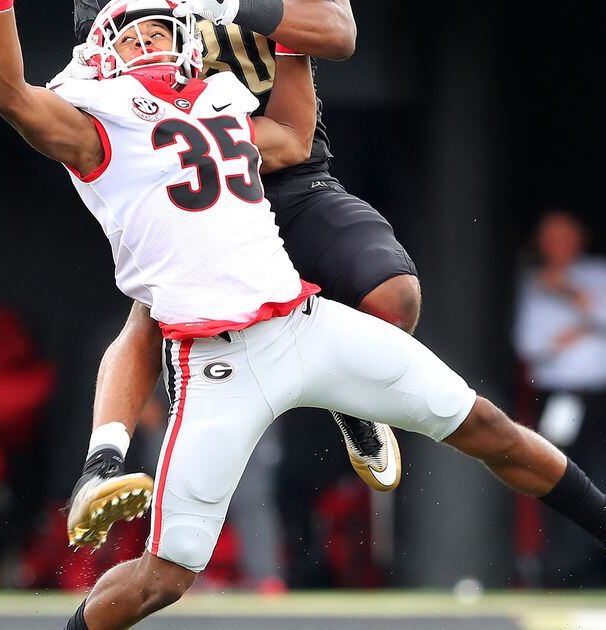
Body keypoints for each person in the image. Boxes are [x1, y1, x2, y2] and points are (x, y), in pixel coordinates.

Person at [0, 2, 606, 627]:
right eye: (135, 32)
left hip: (305, 325)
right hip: (215, 364)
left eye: (160, 30)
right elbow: (10, 93)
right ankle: (98, 476)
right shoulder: (93, 124)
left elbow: (290, 136)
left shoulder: (211, 102)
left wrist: (285, 42)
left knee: (487, 425)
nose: (152, 41)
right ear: (101, 52)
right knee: (163, 577)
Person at [69, 0, 407, 507]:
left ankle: (351, 401)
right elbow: (97, 67)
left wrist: (227, 4)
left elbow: (338, 34)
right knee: (149, 316)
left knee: (393, 297)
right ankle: (101, 465)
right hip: (181, 167)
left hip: (281, 158)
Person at [513, 210, 606, 585]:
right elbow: (529, 344)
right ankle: (565, 569)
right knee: (557, 478)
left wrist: (566, 292)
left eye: (565, 236)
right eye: (549, 237)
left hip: (603, 397)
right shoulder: (532, 281)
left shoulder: (602, 272)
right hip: (558, 398)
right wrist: (581, 324)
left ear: (581, 237)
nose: (557, 245)